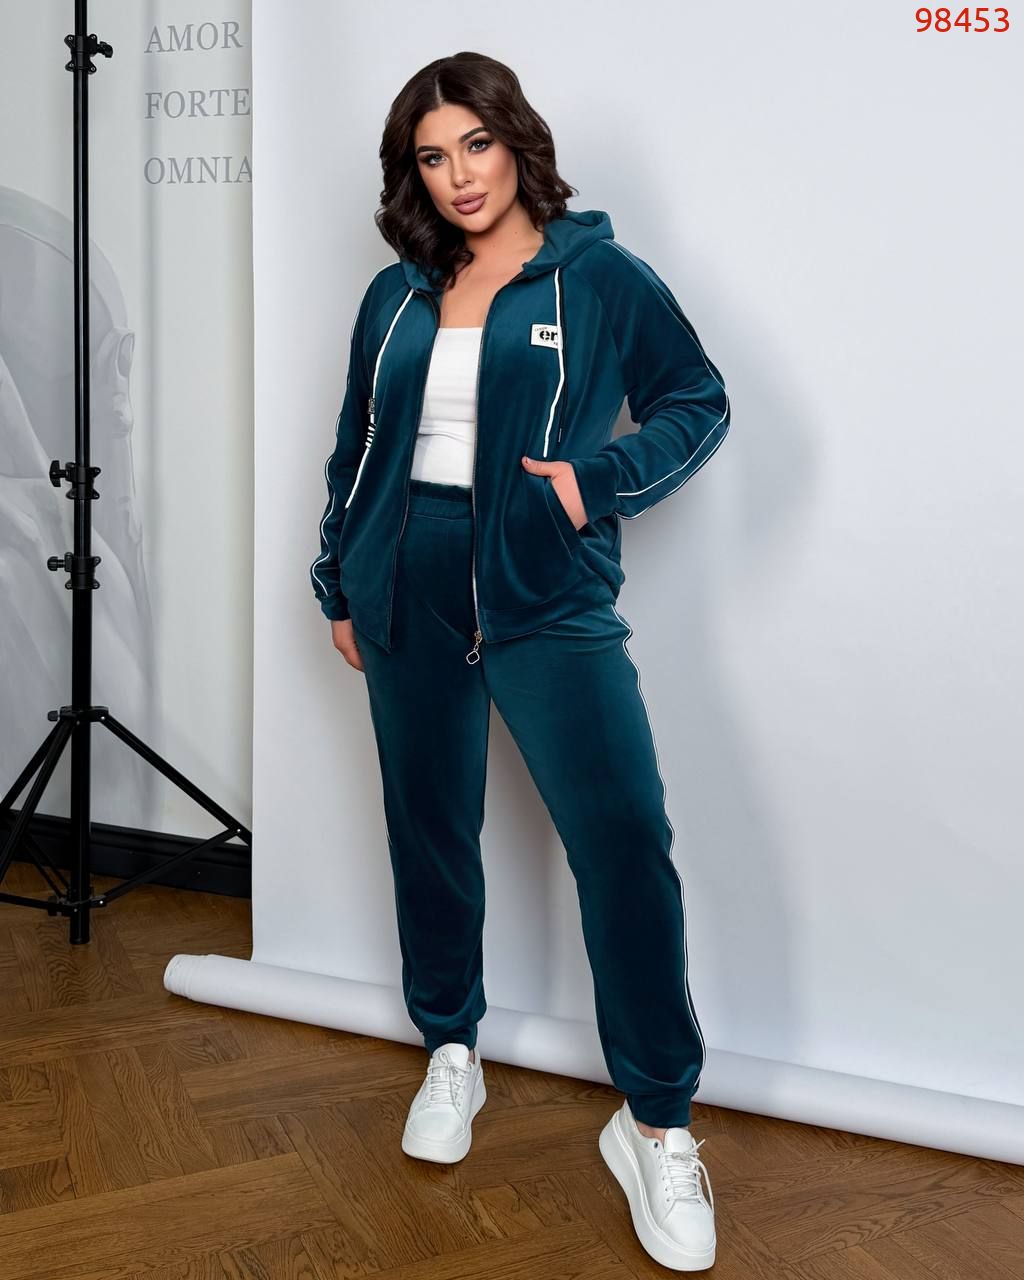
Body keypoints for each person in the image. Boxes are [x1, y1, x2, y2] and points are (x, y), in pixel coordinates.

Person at [310, 51, 729, 1273]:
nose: (458, 176)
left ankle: (655, 1120)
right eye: (432, 157)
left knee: (622, 840)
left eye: (475, 145)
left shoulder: (595, 275)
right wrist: (339, 577)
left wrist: (595, 482)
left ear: (516, 140)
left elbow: (696, 400)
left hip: (544, 585)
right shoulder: (396, 294)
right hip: (406, 578)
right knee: (430, 828)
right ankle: (451, 1047)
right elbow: (355, 445)